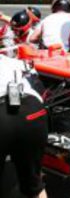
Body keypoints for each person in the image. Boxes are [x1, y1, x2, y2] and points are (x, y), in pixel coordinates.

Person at [0, 54, 48, 198]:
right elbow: (40, 87)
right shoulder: (13, 61)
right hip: (33, 111)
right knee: (34, 184)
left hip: (3, 117)